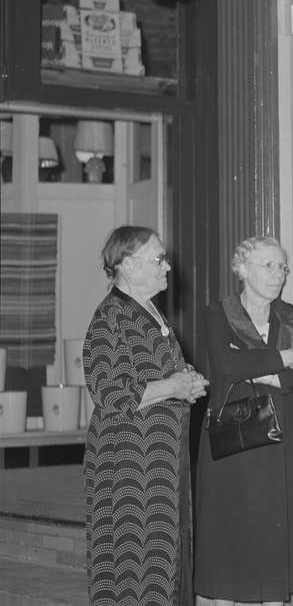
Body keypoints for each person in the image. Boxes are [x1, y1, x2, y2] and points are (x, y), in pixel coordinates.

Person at [194, 236, 293, 606]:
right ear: (241, 269)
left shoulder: (292, 315)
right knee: (234, 531)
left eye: (282, 267)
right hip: (237, 435)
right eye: (268, 265)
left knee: (276, 537)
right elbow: (227, 365)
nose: (278, 274)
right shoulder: (218, 314)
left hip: (287, 436)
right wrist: (286, 359)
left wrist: (268, 375)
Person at [83, 225, 209, 605]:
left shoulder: (152, 314)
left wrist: (187, 383)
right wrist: (173, 386)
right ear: (127, 265)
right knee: (132, 571)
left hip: (161, 465)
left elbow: (157, 376)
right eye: (158, 259)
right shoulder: (110, 317)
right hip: (127, 469)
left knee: (166, 564)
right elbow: (108, 392)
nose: (167, 266)